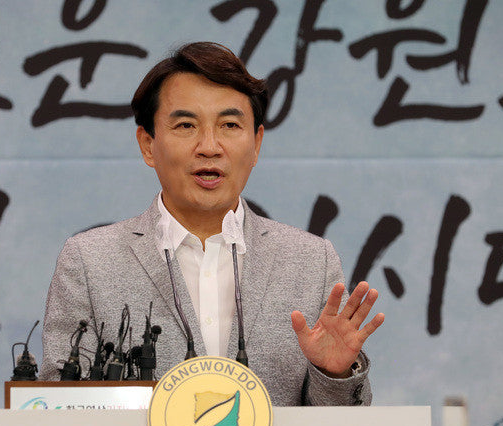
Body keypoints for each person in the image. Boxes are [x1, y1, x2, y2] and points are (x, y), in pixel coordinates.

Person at [41, 42, 385, 406]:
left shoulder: (311, 261)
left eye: (230, 125)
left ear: (256, 144)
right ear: (147, 144)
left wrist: (333, 375)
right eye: (186, 125)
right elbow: (57, 413)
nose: (209, 146)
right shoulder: (90, 261)